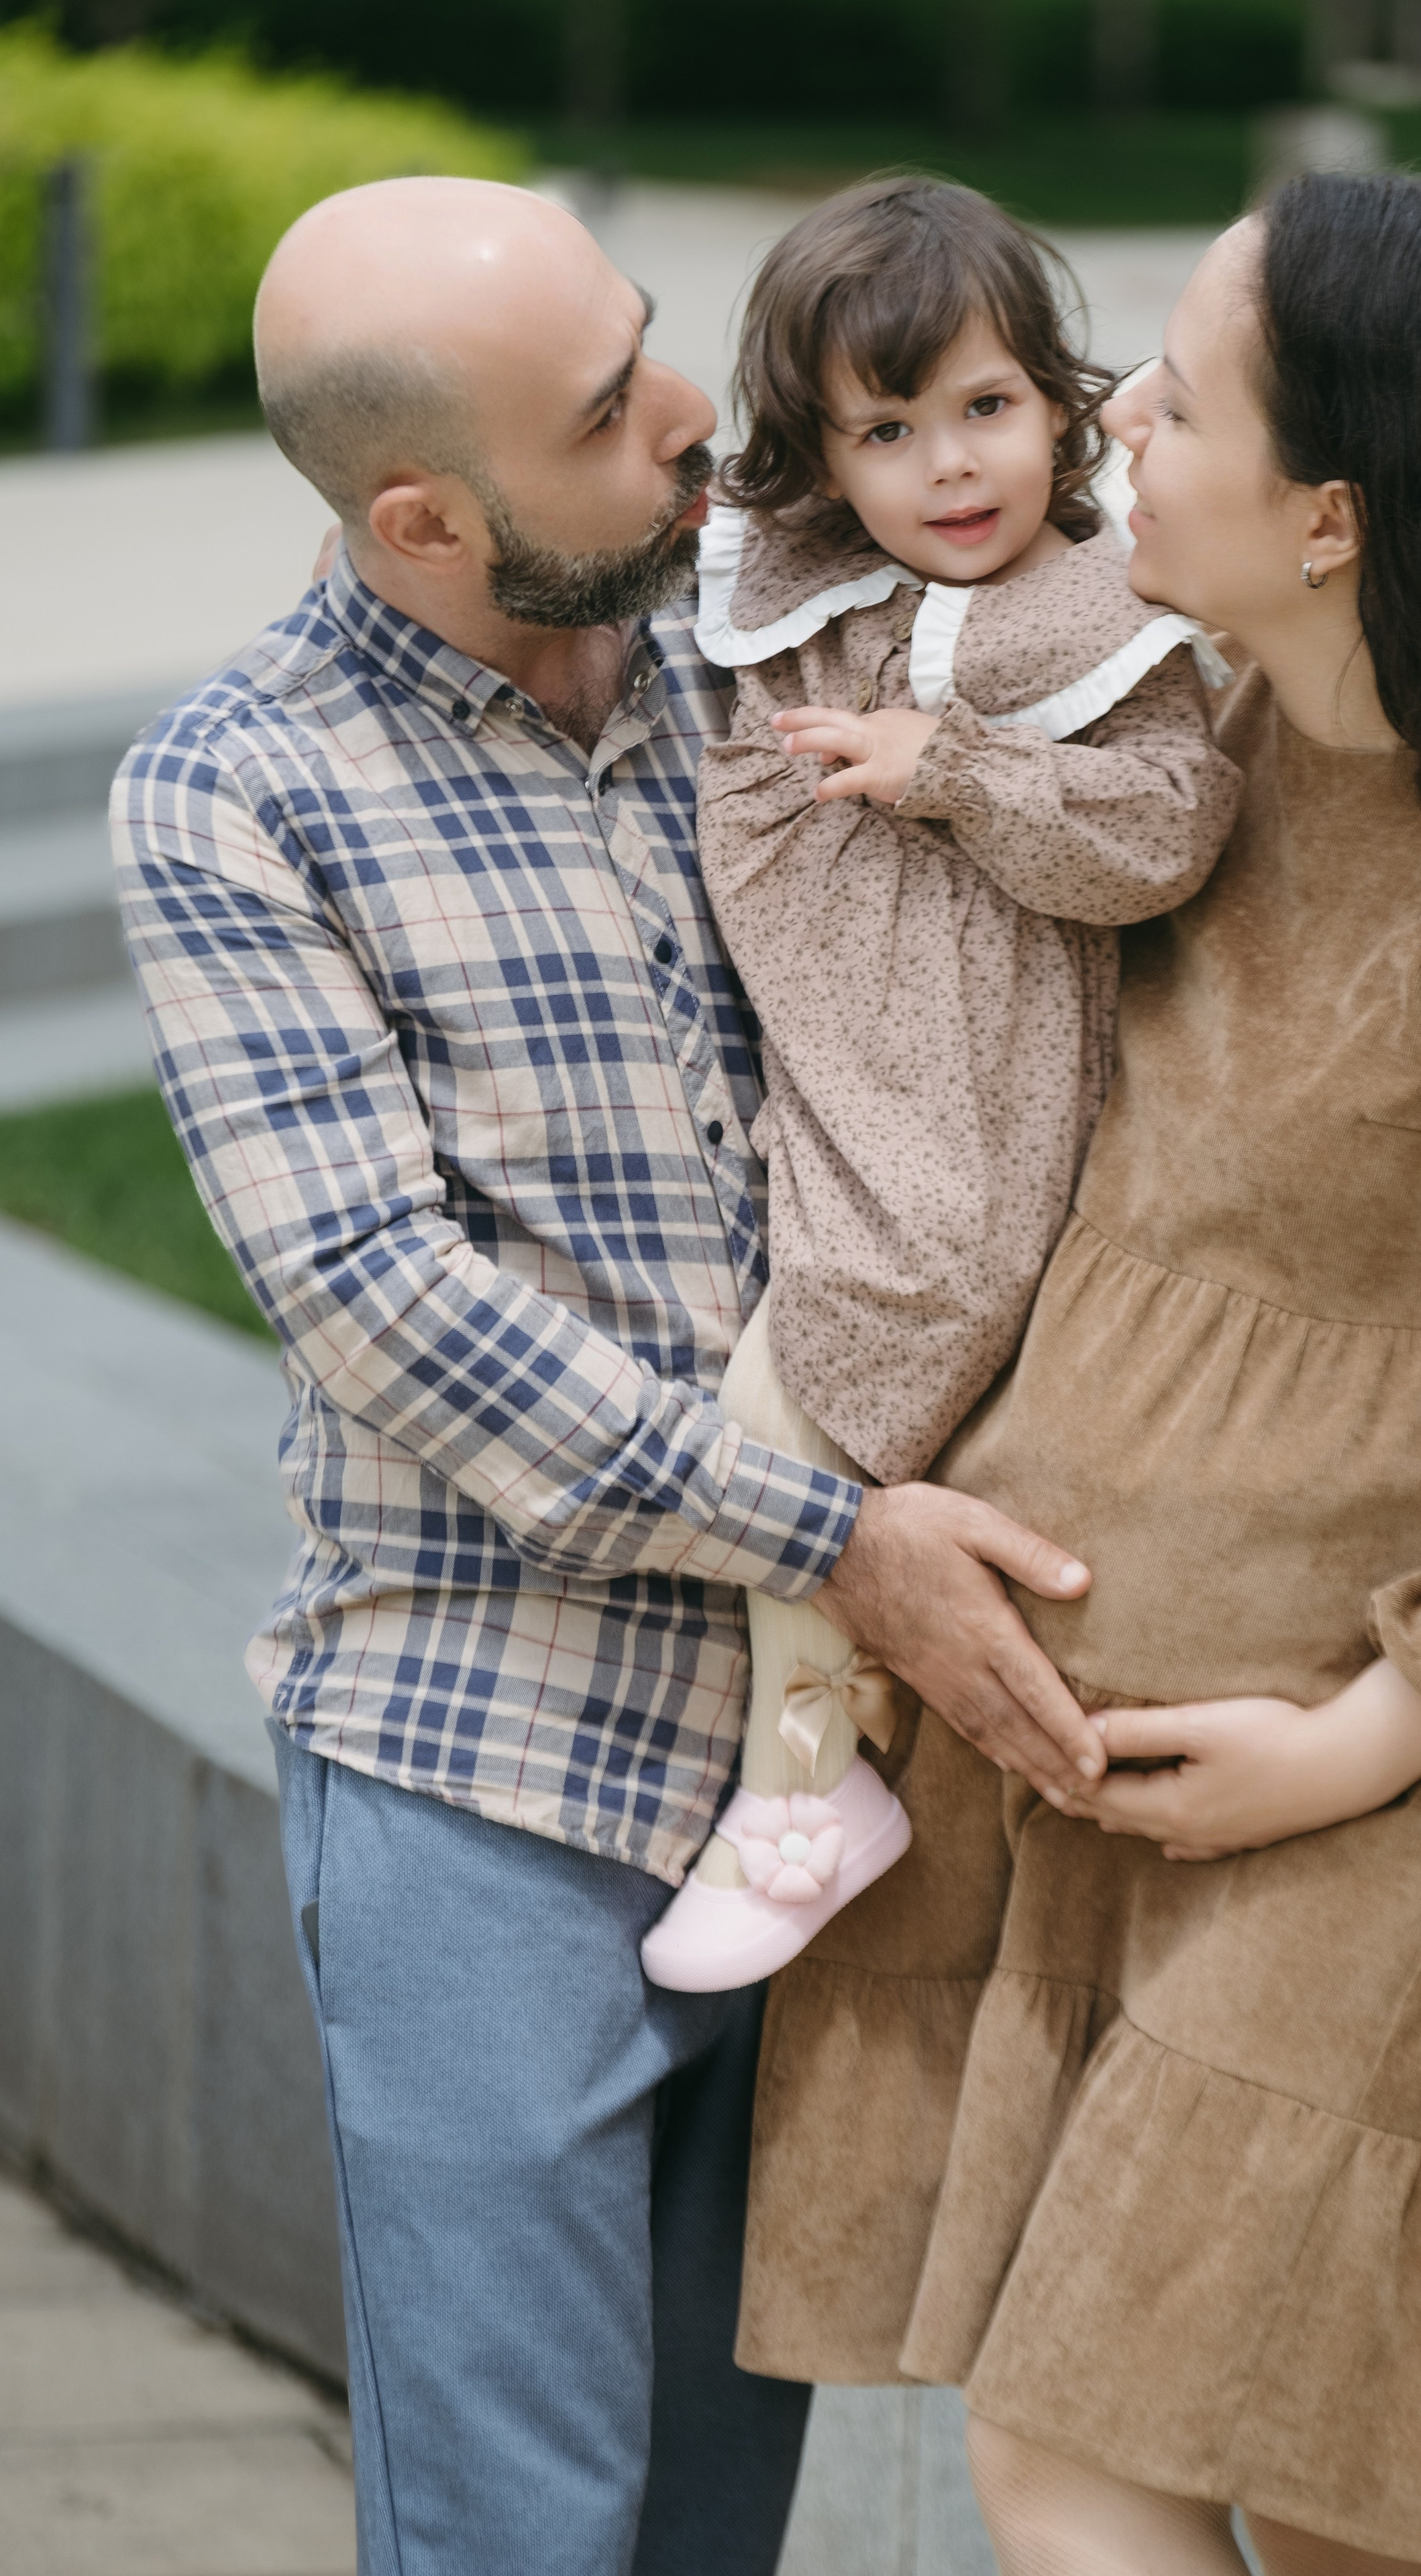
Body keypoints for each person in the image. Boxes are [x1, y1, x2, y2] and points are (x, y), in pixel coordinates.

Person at [109, 174, 1116, 2576]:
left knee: (705, 2526)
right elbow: (382, 1299)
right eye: (612, 409)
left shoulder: (779, 667)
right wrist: (837, 1539)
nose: (698, 422)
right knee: (521, 2538)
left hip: (826, 1787)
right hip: (487, 1760)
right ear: (428, 517)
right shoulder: (236, 793)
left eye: (655, 345)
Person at [733, 172, 1421, 2576]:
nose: (1112, 424)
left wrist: (1362, 1737)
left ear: (1336, 512)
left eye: (1177, 390)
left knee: (1242, 2484)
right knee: (1212, 2470)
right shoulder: (1193, 776)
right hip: (1127, 1814)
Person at [640, 176, 1240, 1994]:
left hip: (970, 1127)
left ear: (1059, 406)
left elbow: (1168, 829)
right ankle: (852, 1726)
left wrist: (954, 771)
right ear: (825, 468)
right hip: (832, 1097)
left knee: (787, 1407)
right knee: (796, 1402)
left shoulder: (1085, 615)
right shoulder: (805, 597)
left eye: (985, 409)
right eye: (888, 433)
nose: (951, 467)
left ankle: (806, 1795)